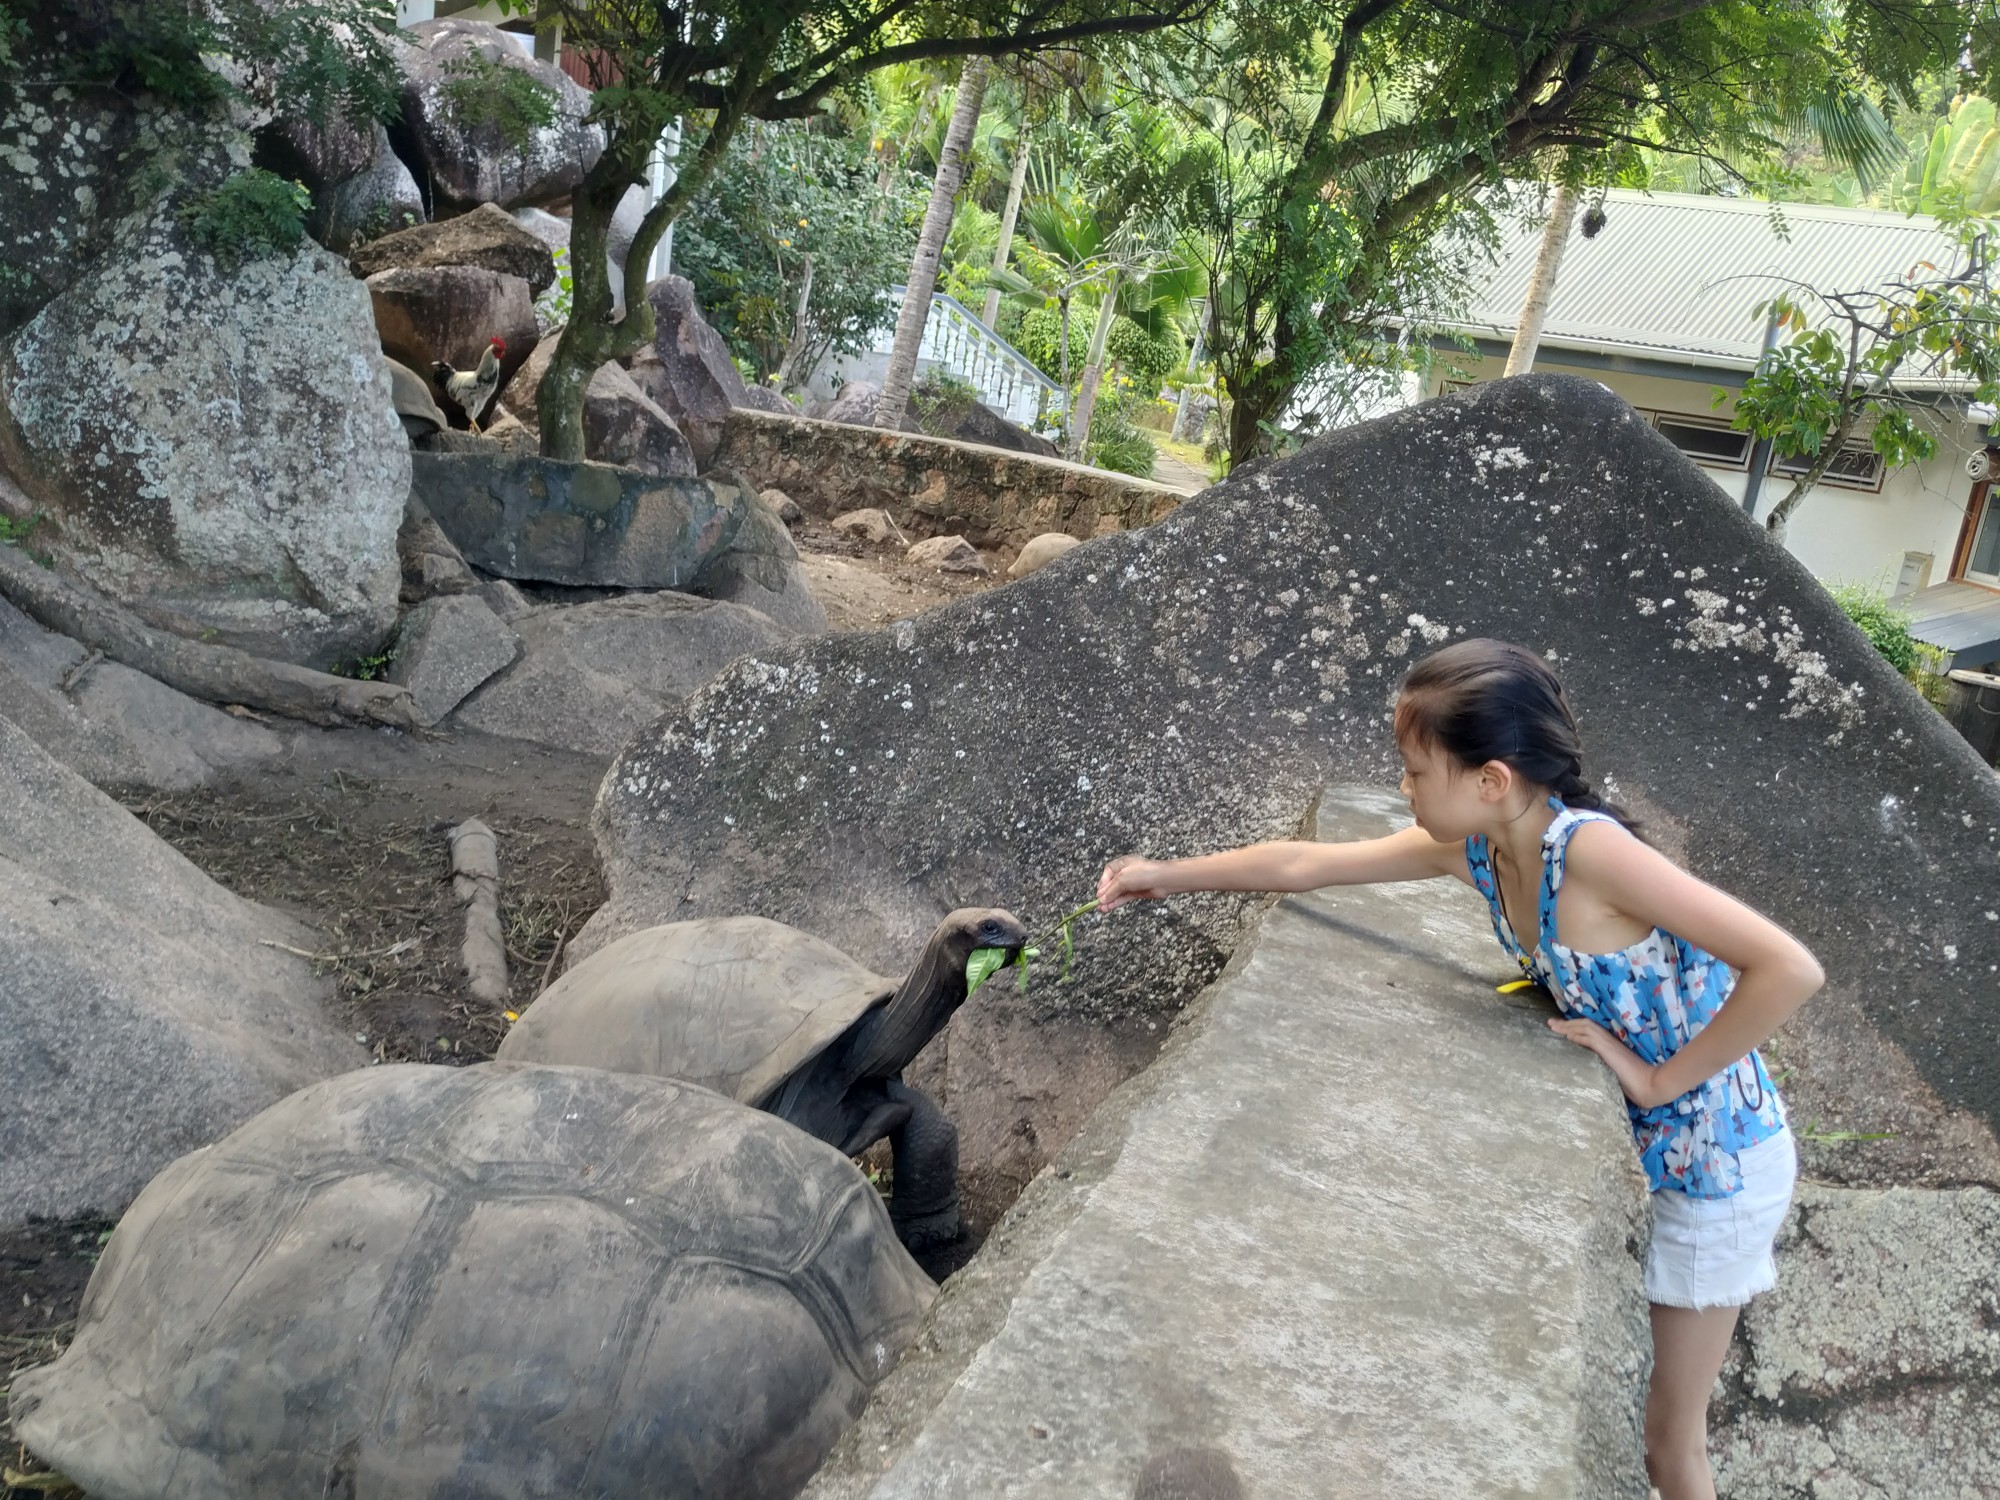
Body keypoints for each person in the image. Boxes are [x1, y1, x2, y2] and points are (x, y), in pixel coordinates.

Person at [1096, 638, 1823, 1500]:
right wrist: (1164, 877)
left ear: (1491, 780)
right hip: (1659, 1154)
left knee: (1669, 1446)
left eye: (1414, 772)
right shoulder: (1479, 847)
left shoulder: (1589, 851)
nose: (1403, 790)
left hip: (1715, 1164)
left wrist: (1660, 1079)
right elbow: (1309, 866)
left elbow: (1788, 969)